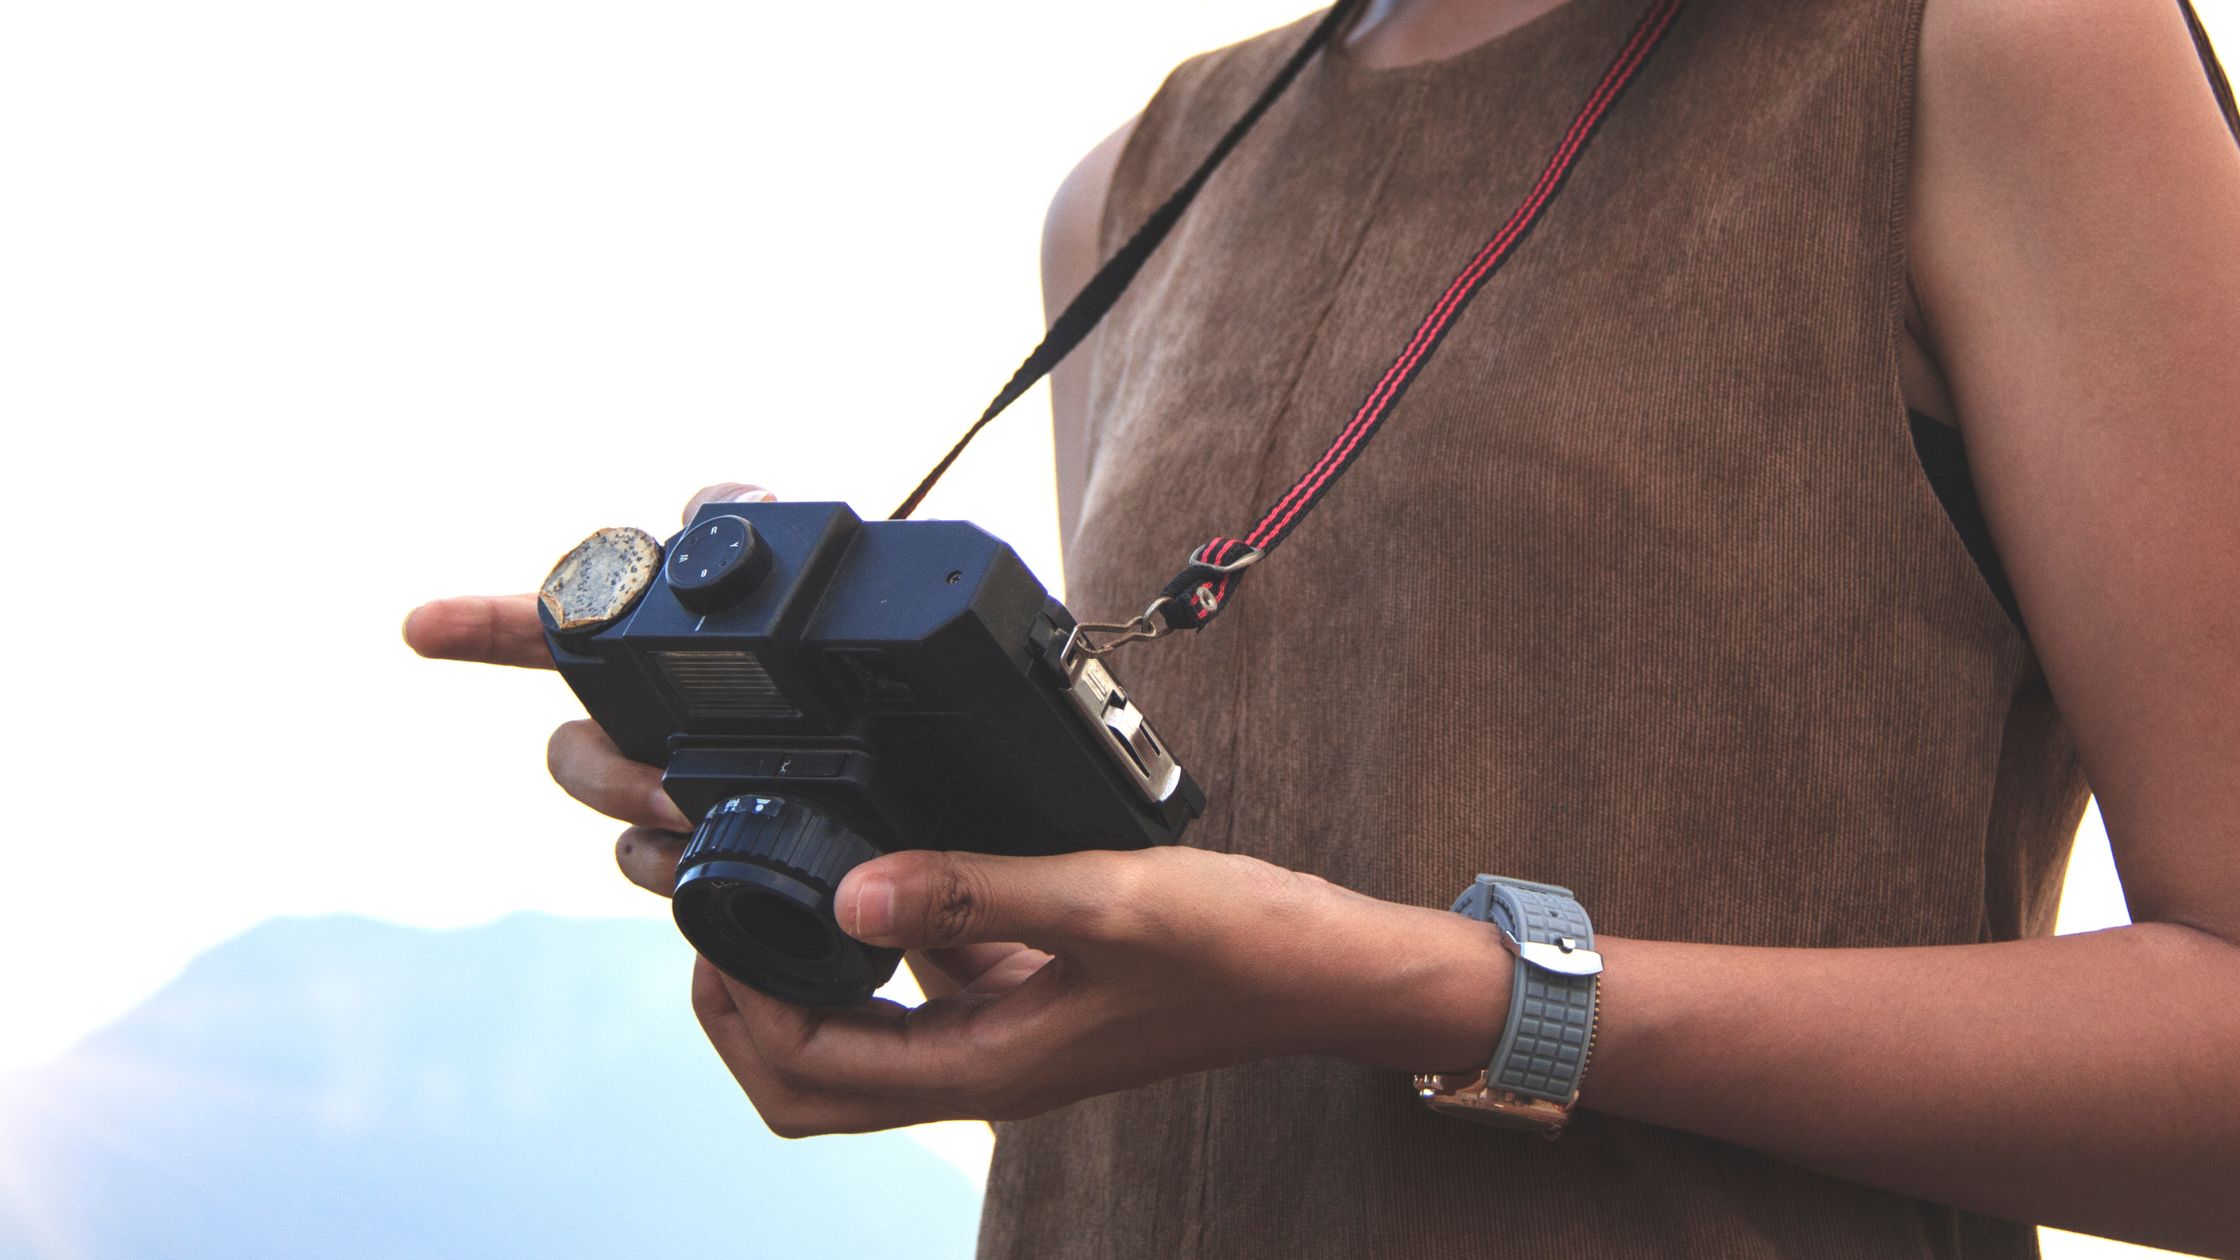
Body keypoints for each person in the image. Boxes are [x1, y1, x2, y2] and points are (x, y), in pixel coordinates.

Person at [406, 0, 2240, 1255]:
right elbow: (1200, 992)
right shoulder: (1133, 188)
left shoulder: (1991, 45)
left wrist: (1440, 991)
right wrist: (914, 891)